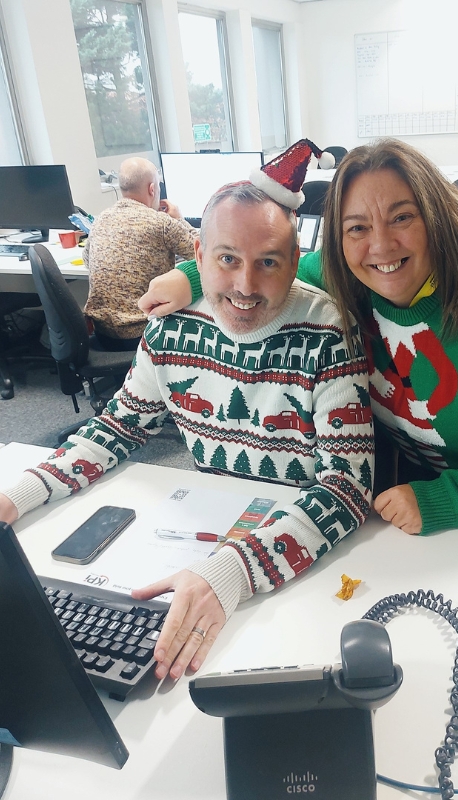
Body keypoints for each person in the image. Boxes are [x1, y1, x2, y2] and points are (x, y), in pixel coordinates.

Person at [0, 178, 373, 681]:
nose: (244, 285)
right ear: (197, 253)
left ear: (294, 258)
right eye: (227, 259)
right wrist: (17, 495)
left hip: (299, 555)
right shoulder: (170, 325)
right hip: (206, 532)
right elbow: (116, 427)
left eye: (267, 262)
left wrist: (233, 571)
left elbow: (346, 488)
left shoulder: (330, 332)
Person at [141, 138, 458, 535]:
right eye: (357, 227)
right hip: (423, 443)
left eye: (402, 218)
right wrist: (191, 277)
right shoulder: (346, 269)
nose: (379, 247)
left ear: (436, 214)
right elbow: (266, 271)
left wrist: (444, 499)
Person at [83, 156, 198, 351]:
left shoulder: (100, 219)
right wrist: (180, 219)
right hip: (147, 333)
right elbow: (203, 253)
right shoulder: (161, 223)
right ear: (152, 189)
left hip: (103, 335)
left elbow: (88, 261)